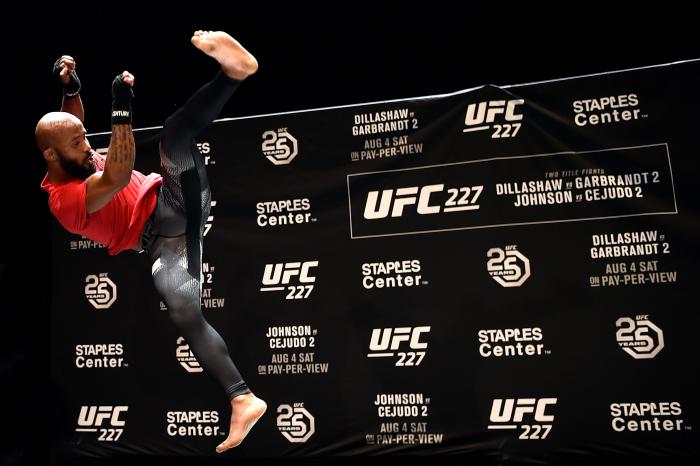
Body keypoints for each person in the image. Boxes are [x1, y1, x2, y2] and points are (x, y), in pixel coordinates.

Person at [37, 31, 266, 454]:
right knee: (180, 306)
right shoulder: (66, 200)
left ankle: (232, 74)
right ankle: (243, 397)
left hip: (175, 197)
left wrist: (72, 89)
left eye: (85, 137)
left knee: (176, 133)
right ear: (52, 157)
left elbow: (70, 126)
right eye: (77, 144)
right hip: (162, 244)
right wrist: (121, 109)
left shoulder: (72, 150)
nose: (88, 146)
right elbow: (118, 176)